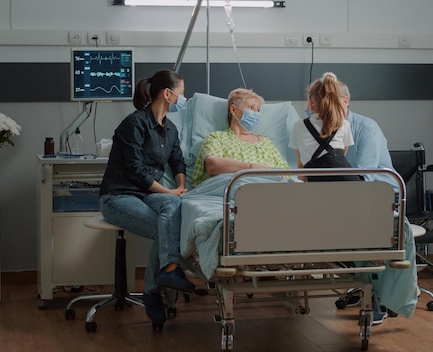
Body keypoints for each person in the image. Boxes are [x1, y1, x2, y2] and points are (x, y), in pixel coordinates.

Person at [99, 69, 194, 329]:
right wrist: (169, 192)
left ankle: (167, 272)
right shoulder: (134, 124)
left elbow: (177, 160)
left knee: (174, 206)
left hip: (146, 196)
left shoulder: (170, 129)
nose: (184, 98)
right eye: (182, 93)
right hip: (117, 197)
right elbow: (135, 170)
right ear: (168, 93)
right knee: (164, 225)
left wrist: (181, 186)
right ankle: (157, 286)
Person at [338, 79, 419, 325]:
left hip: (380, 195)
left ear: (345, 102)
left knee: (366, 227)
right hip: (344, 197)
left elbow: (365, 176)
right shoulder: (318, 129)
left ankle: (378, 297)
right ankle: (370, 287)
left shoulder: (366, 128)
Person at [191, 88, 290, 187]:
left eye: (258, 110)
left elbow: (285, 173)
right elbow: (212, 165)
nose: (256, 113)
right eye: (251, 107)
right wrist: (251, 168)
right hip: (232, 191)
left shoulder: (265, 142)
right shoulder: (217, 138)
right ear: (234, 110)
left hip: (268, 191)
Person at [288, 72, 359, 182]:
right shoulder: (344, 124)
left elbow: (300, 162)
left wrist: (301, 187)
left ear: (311, 103)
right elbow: (341, 156)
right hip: (348, 181)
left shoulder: (299, 126)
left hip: (319, 183)